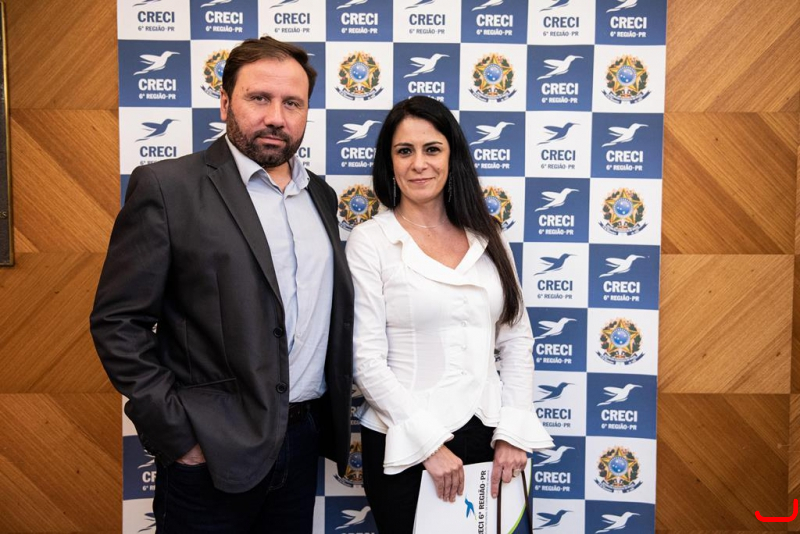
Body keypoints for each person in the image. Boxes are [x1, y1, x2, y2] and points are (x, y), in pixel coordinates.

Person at [90, 36, 353, 533]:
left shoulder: (320, 195)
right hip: (209, 450)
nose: (276, 117)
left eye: (292, 103)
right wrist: (178, 436)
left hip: (301, 441)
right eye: (260, 98)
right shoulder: (168, 187)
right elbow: (117, 322)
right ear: (226, 103)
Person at [345, 96, 553, 533]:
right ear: (389, 163)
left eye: (432, 149)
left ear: (452, 156)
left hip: (493, 440)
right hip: (406, 443)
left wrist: (513, 431)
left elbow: (516, 339)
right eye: (405, 151)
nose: (419, 163)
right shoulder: (370, 241)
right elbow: (365, 358)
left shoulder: (488, 236)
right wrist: (429, 445)